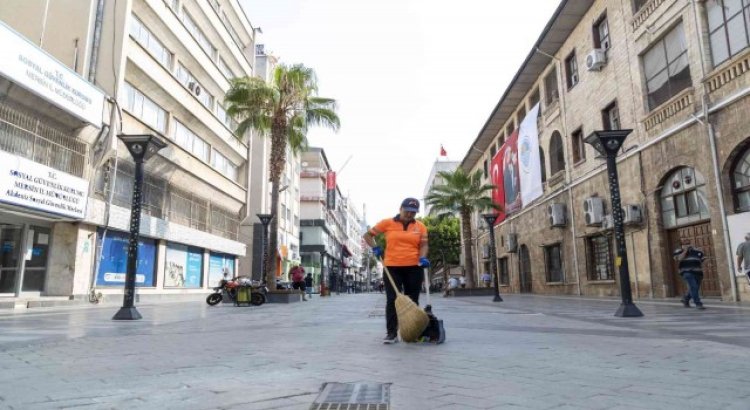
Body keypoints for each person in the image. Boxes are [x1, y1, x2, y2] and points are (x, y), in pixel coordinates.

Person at [364, 197, 429, 344]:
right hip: (392, 267)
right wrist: (374, 247)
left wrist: (423, 257)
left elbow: (424, 245)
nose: (409, 215)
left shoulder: (421, 227)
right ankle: (391, 333)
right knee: (392, 300)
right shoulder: (387, 223)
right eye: (407, 211)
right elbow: (368, 235)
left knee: (413, 299)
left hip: (414, 266)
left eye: (413, 212)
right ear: (400, 208)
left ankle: (411, 331)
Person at [674, 239, 706, 310]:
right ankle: (698, 303)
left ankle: (686, 299)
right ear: (681, 245)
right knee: (693, 287)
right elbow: (679, 259)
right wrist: (685, 251)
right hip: (687, 272)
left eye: (688, 243)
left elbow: (702, 260)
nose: (687, 245)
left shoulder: (697, 251)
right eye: (685, 244)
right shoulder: (678, 251)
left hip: (698, 272)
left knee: (695, 288)